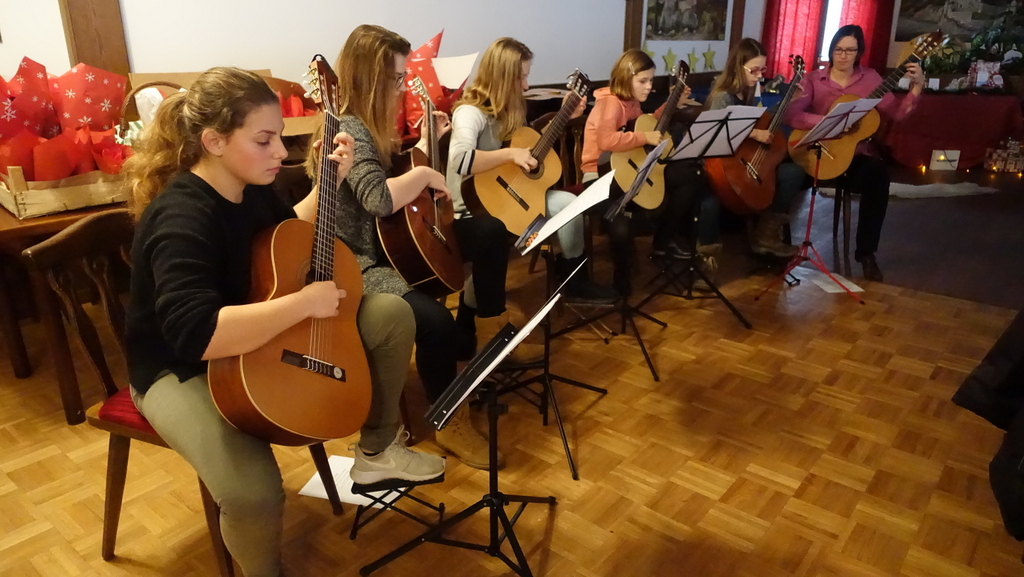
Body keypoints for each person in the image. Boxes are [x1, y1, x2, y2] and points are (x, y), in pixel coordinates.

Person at [123, 67, 443, 577]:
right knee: (252, 494)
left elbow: (286, 230)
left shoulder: (249, 186)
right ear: (214, 142)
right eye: (264, 140)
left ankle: (378, 449)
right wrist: (301, 305)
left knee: (387, 313)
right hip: (178, 366)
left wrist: (332, 181)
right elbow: (196, 334)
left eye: (278, 137)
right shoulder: (181, 217)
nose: (280, 152)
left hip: (251, 333)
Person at [317, 25, 525, 470]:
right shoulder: (349, 127)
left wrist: (429, 145)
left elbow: (394, 173)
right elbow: (378, 198)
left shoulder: (373, 126)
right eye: (396, 78)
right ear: (371, 79)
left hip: (394, 243)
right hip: (364, 259)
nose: (400, 87)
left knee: (489, 233)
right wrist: (427, 174)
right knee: (434, 322)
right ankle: (449, 419)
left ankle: (481, 341)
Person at [447, 37, 619, 305]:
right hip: (476, 206)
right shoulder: (470, 112)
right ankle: (475, 310)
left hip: (510, 196)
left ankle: (573, 281)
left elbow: (528, 148)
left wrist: (562, 117)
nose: (526, 85)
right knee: (493, 239)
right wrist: (509, 154)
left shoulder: (510, 109)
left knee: (570, 205)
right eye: (522, 78)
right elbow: (461, 160)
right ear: (502, 76)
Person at [783, 24, 924, 282]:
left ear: (859, 53)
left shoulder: (871, 79)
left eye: (850, 50)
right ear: (831, 50)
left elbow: (897, 114)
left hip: (852, 157)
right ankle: (778, 248)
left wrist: (916, 88)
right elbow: (791, 114)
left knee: (878, 177)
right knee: (783, 174)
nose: (843, 55)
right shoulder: (813, 79)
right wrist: (829, 122)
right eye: (838, 49)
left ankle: (866, 254)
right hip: (815, 152)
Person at [579, 48, 695, 295]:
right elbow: (607, 141)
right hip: (598, 176)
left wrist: (672, 104)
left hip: (626, 172)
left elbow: (646, 125)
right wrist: (643, 137)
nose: (649, 86)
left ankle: (663, 239)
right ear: (626, 78)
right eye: (643, 81)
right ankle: (620, 282)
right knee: (620, 221)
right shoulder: (610, 103)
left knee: (688, 175)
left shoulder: (631, 102)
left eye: (651, 80)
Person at [703, 37, 801, 260]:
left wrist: (788, 101)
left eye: (762, 70)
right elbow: (716, 132)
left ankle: (766, 233)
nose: (759, 76)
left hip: (743, 159)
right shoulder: (722, 96)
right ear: (738, 67)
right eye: (754, 70)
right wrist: (754, 133)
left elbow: (761, 119)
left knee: (793, 173)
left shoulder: (745, 92)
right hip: (725, 167)